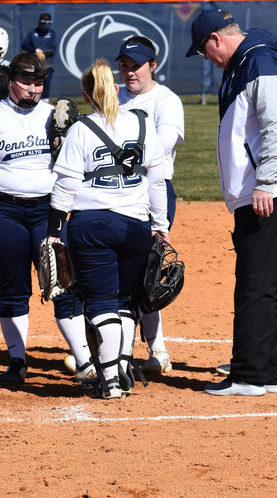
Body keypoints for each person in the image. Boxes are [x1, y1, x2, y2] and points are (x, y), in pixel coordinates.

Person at [185, 8, 277, 397]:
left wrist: (269, 180)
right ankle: (273, 372)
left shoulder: (257, 60)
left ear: (216, 40)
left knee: (254, 284)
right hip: (266, 189)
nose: (206, 59)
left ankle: (250, 376)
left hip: (265, 191)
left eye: (204, 51)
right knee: (268, 281)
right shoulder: (250, 62)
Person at [0, 51, 94, 385]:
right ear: (10, 81)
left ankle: (83, 361)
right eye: (26, 82)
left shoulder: (55, 117)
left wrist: (64, 143)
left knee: (61, 281)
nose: (33, 89)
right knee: (13, 286)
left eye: (39, 82)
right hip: (3, 210)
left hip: (46, 211)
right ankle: (17, 360)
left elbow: (75, 168)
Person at [47, 59, 169, 400]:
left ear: (87, 96)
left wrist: (54, 231)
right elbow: (158, 181)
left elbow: (66, 186)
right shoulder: (143, 124)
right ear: (115, 89)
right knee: (126, 301)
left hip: (91, 225)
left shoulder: (81, 129)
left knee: (100, 301)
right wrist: (160, 225)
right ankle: (123, 369)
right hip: (135, 224)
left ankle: (111, 381)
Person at [114, 36, 184, 376]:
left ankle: (157, 349)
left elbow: (164, 142)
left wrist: (118, 150)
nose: (130, 73)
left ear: (152, 65)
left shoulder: (166, 100)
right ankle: (117, 348)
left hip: (154, 190)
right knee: (116, 270)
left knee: (147, 274)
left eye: (136, 66)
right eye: (125, 66)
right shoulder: (112, 97)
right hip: (114, 191)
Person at [20, 13, 57, 99]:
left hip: (47, 65)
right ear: (39, 23)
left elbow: (53, 50)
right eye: (44, 24)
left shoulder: (52, 34)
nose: (45, 27)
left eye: (47, 24)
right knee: (32, 84)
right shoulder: (32, 33)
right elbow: (24, 45)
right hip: (33, 65)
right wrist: (34, 50)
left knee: (46, 86)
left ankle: (45, 102)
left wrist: (43, 54)